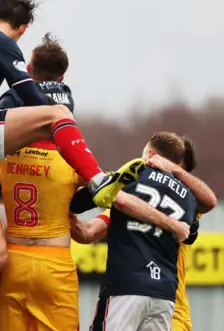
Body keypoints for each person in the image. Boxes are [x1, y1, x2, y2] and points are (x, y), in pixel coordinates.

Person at [0, 0, 141, 331]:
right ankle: (99, 180)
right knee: (56, 113)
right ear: (22, 29)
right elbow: (30, 98)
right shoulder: (1, 41)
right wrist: (58, 126)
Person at [71, 134, 217, 331]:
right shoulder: (188, 200)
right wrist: (172, 224)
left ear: (151, 154)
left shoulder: (127, 182)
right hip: (168, 301)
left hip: (127, 287)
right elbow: (209, 202)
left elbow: (90, 227)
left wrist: (60, 208)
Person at [0, 33, 83, 331]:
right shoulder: (71, 163)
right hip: (54, 260)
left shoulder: (2, 161)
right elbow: (99, 192)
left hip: (13, 257)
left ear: (28, 68)